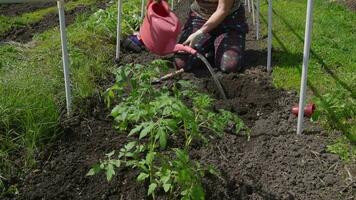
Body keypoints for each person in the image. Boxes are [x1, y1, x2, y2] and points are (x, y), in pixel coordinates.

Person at [123, 0, 248, 73]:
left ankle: (217, 45)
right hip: (200, 16)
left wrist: (200, 32)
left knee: (229, 66)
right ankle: (211, 48)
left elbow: (223, 9)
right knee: (182, 63)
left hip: (229, 19)